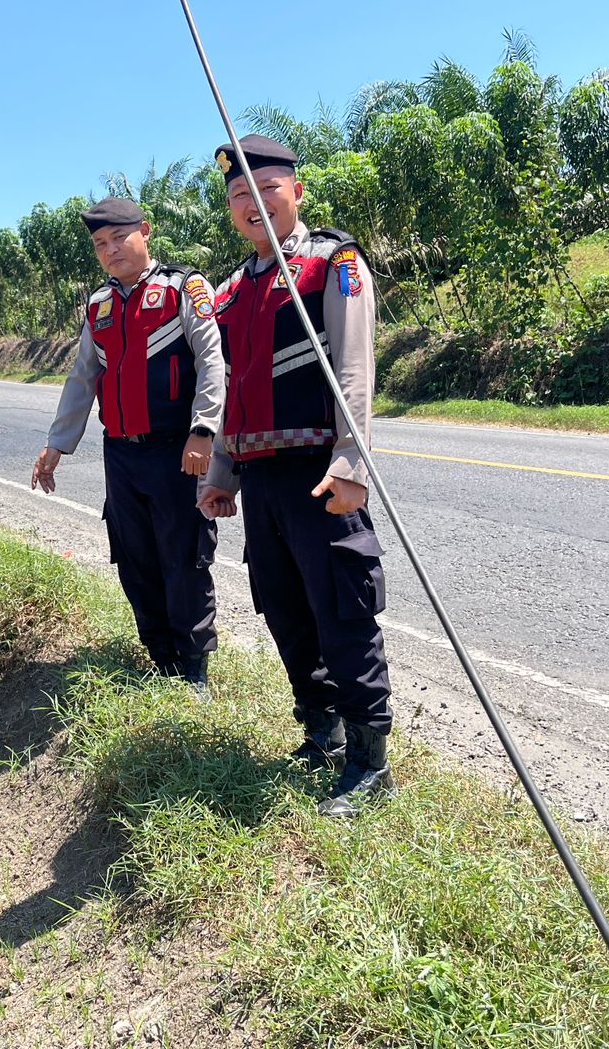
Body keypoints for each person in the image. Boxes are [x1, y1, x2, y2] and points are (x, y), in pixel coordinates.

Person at [197, 134, 392, 819]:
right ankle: (323, 734)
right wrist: (221, 471)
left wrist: (350, 464)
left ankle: (371, 763)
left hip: (320, 474)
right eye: (239, 196)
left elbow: (356, 371)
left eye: (266, 189)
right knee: (283, 608)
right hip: (261, 481)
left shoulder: (332, 263)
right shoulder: (232, 290)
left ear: (296, 192)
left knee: (342, 609)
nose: (253, 204)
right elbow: (235, 390)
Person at [32, 196, 224, 691]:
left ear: (145, 231)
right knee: (135, 558)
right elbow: (82, 378)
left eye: (119, 237)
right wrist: (57, 444)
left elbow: (211, 362)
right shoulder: (98, 305)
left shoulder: (185, 288)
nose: (111, 249)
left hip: (176, 452)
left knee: (183, 557)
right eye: (100, 244)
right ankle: (160, 657)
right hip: (121, 453)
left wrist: (203, 429)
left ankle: (193, 666)